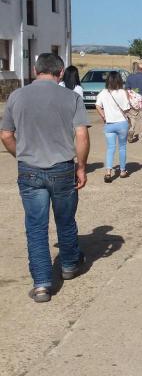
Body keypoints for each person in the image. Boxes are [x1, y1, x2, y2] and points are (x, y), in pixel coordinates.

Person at [0, 53, 90, 303]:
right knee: (65, 220)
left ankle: (41, 284)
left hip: (30, 169)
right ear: (60, 73)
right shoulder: (72, 97)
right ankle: (69, 264)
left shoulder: (16, 96)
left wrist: (22, 154)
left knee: (36, 227)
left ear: (35, 70)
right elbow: (82, 136)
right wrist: (81, 167)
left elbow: (6, 135)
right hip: (62, 169)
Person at [94, 71, 132, 182]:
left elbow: (97, 105)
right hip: (122, 123)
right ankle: (123, 171)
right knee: (122, 147)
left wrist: (104, 116)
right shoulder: (122, 92)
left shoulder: (103, 92)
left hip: (109, 124)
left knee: (110, 148)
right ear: (119, 80)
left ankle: (108, 172)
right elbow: (127, 108)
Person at [125, 63, 142, 142]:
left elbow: (127, 89)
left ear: (137, 68)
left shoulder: (130, 77)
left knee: (132, 117)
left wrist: (134, 94)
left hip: (133, 101)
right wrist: (141, 94)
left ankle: (131, 130)